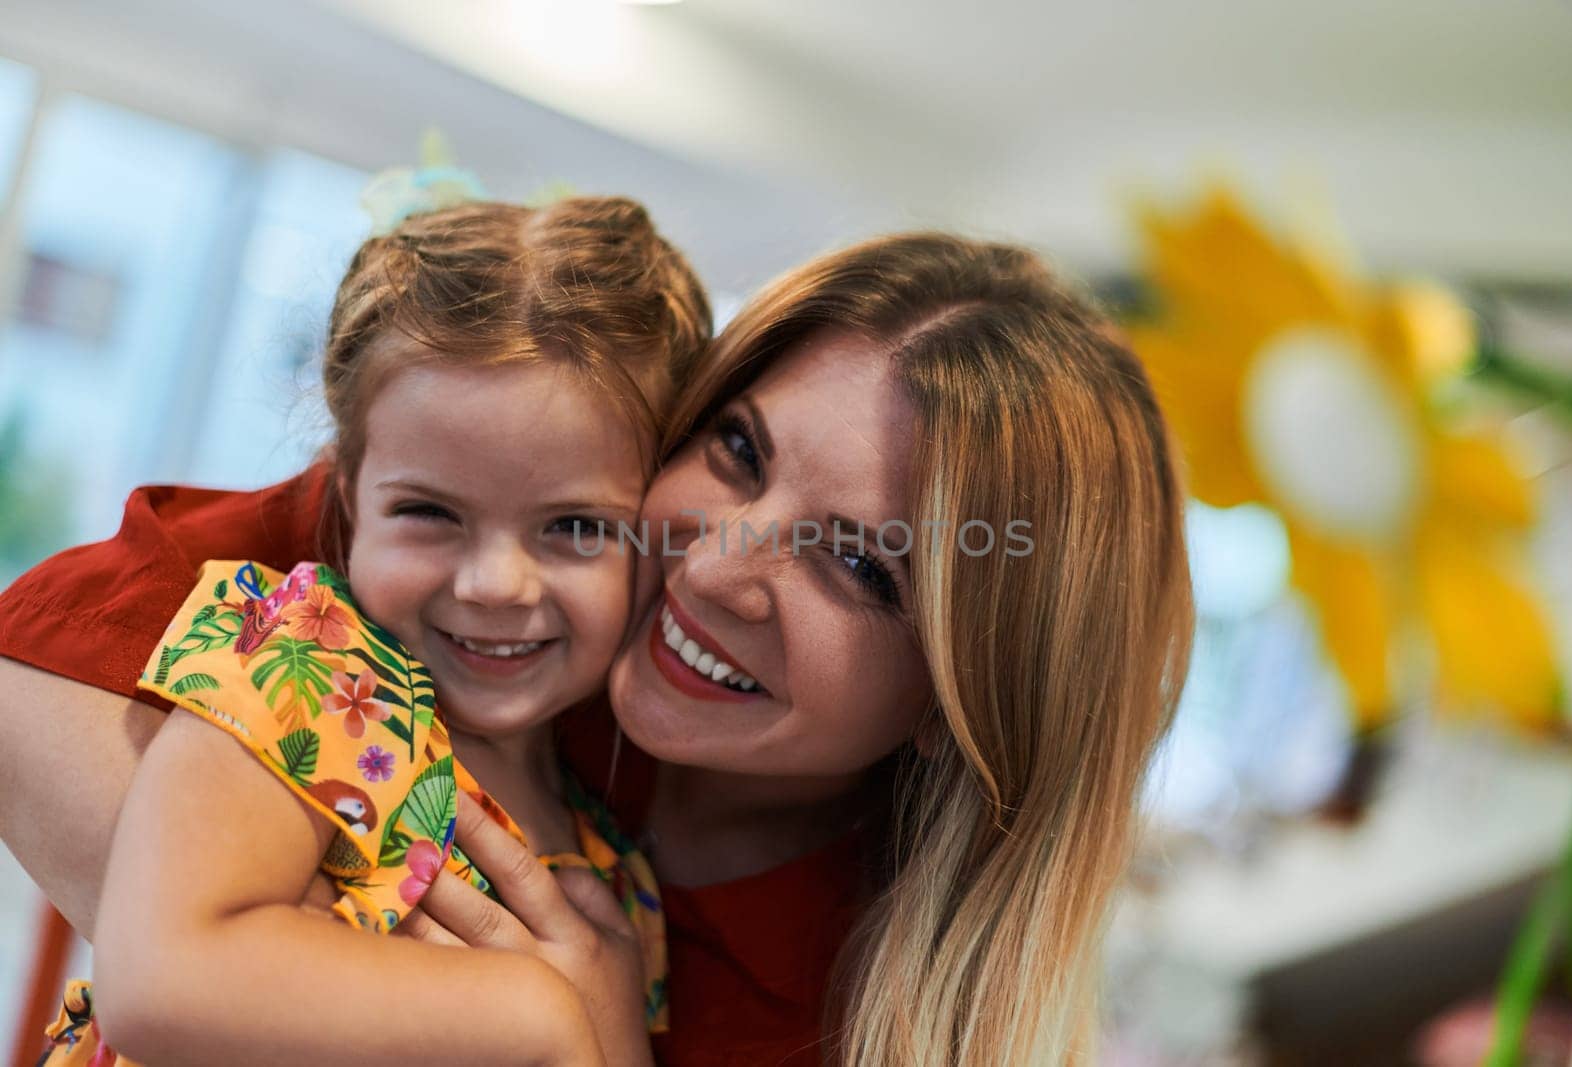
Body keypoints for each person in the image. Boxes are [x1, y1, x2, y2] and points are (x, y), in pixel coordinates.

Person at [0, 232, 1194, 1066]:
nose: (719, 564)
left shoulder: (835, 999)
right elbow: (37, 658)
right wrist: (516, 1012)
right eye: (736, 450)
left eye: (860, 562)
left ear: (963, 696)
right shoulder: (481, 582)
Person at [28, 192, 712, 1066]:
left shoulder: (615, 867)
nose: (494, 583)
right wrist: (536, 1016)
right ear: (349, 498)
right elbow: (161, 978)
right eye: (429, 510)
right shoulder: (310, 666)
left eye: (577, 526)